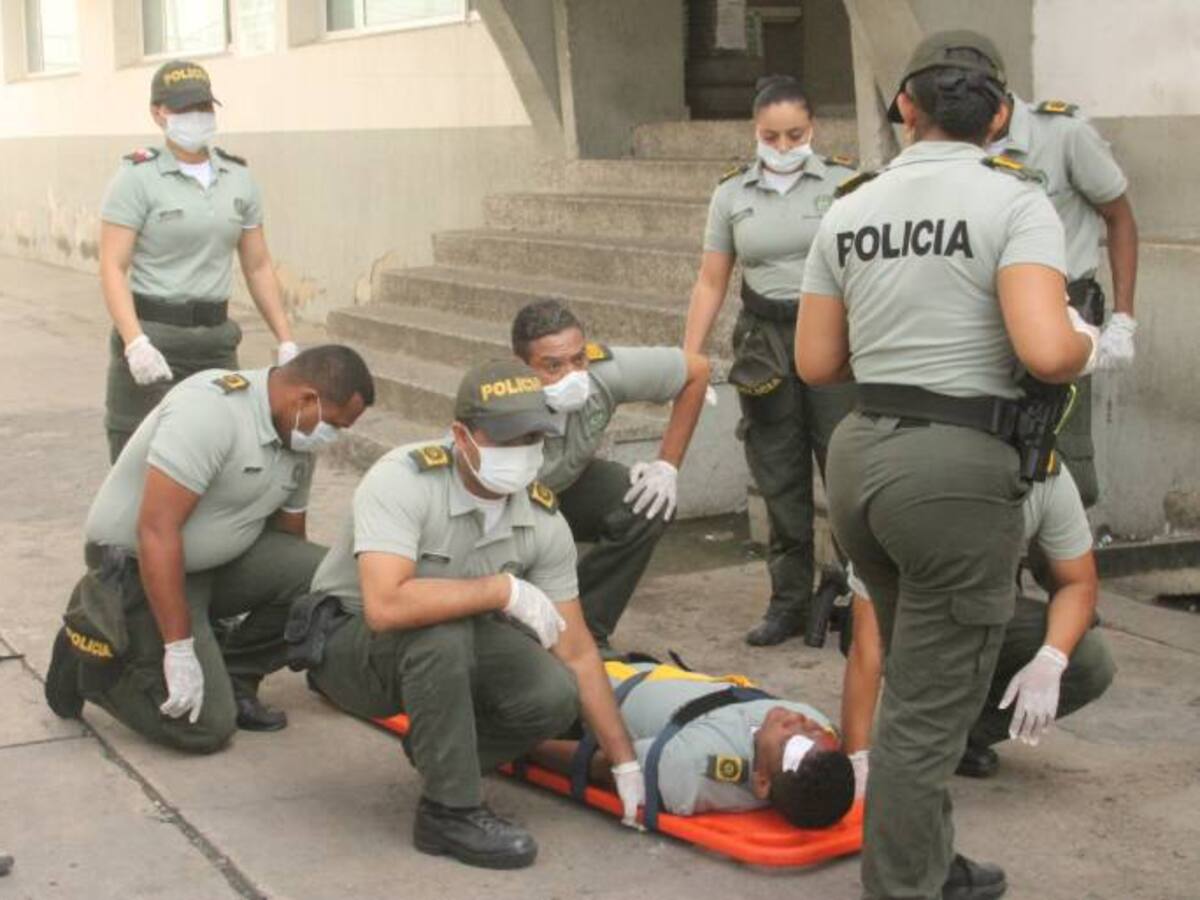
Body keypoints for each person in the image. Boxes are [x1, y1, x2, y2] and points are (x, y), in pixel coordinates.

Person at [795, 30, 1099, 900]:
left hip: (861, 459)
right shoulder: (1016, 201)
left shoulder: (848, 205)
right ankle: (903, 885)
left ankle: (929, 862)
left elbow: (817, 363)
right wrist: (1083, 338)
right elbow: (1045, 350)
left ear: (904, 105)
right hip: (955, 471)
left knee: (918, 686)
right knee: (929, 710)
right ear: (999, 113)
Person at [305, 360, 644, 870]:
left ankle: (444, 756)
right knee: (439, 633)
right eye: (507, 439)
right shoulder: (404, 479)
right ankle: (449, 811)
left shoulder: (541, 517)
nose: (524, 452)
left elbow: (576, 650)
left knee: (552, 693)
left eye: (534, 437)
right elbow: (385, 606)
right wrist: (500, 590)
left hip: (450, 639)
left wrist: (625, 764)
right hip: (349, 645)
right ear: (461, 436)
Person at [44, 346, 373, 752]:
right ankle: (90, 664)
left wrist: (302, 622)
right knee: (207, 729)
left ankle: (235, 674)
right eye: (334, 425)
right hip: (139, 566)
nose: (333, 436)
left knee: (325, 578)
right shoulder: (210, 411)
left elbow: (289, 540)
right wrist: (179, 649)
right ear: (305, 399)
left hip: (215, 566)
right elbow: (156, 530)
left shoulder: (298, 437)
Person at [683, 75, 858, 647]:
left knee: (850, 469)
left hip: (834, 334)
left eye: (795, 134)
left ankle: (860, 595)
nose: (783, 147)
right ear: (754, 133)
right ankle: (787, 601)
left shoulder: (845, 183)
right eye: (771, 136)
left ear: (814, 129)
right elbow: (713, 281)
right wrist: (691, 356)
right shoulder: (731, 193)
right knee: (779, 473)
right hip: (764, 340)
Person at [841, 463, 1116, 790]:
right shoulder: (907, 486)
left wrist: (1050, 659)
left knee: (1089, 659)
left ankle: (955, 735)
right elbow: (866, 644)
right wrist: (856, 758)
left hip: (982, 613)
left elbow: (1078, 584)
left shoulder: (1043, 476)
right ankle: (914, 733)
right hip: (906, 619)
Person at [99, 59, 299, 462]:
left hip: (215, 342)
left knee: (218, 458)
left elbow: (257, 265)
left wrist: (286, 339)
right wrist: (135, 341)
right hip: (155, 339)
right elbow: (112, 266)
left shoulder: (238, 178)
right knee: (140, 459)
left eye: (204, 108)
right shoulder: (137, 178)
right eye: (185, 109)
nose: (197, 117)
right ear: (159, 113)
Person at [510, 300, 710, 649]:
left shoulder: (603, 374)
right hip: (509, 509)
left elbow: (696, 371)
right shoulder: (501, 403)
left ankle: (585, 630)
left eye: (577, 359)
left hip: (567, 487)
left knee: (645, 504)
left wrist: (667, 465)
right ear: (521, 367)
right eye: (552, 366)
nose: (571, 375)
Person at [989, 92, 1140, 506]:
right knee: (995, 456)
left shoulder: (1063, 134)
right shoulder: (952, 142)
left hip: (1062, 310)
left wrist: (1123, 319)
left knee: (1068, 469)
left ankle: (1058, 564)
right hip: (986, 312)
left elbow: (1119, 216)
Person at [532, 659, 855, 827]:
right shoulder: (816, 724)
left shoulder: (693, 768)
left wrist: (519, 747)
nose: (803, 724)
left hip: (579, 681)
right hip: (648, 670)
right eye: (817, 733)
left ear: (761, 781)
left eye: (796, 743)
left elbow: (602, 765)